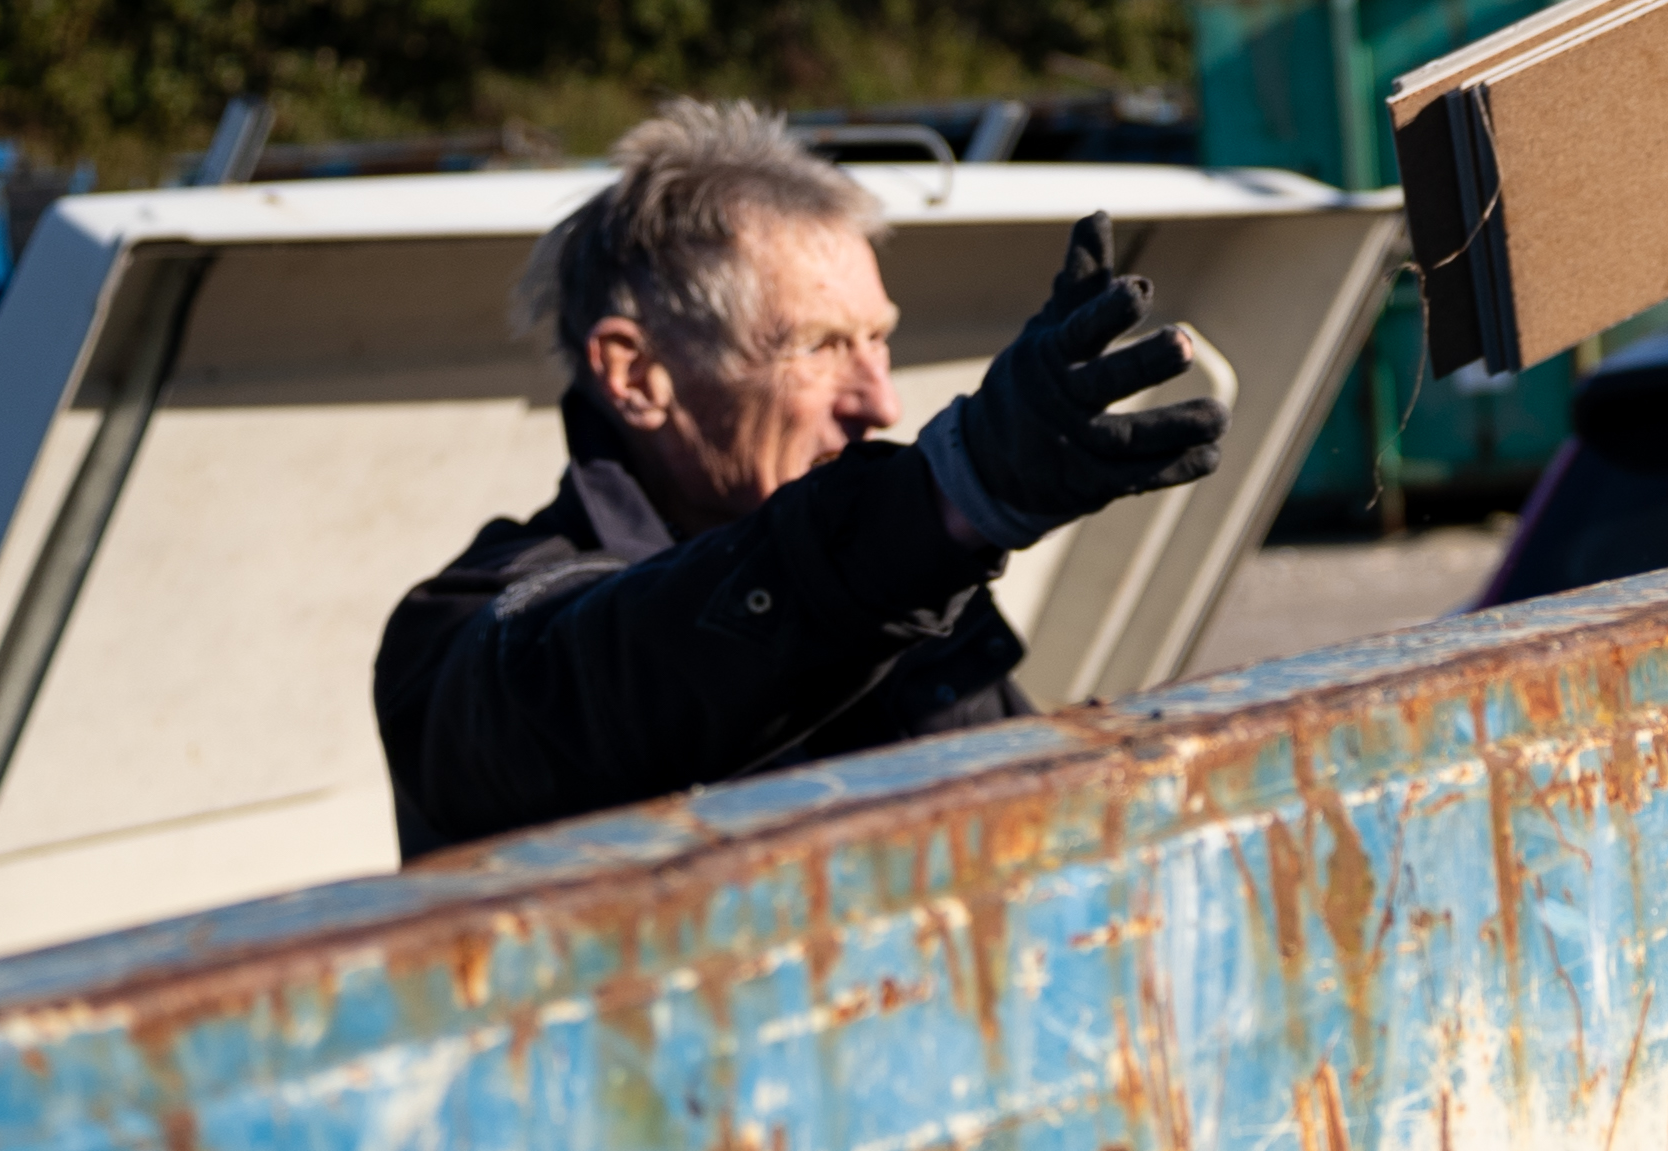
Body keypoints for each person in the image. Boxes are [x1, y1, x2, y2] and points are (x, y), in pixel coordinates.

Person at [374, 102, 1223, 855]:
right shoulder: (468, 633)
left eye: (878, 339)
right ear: (635, 375)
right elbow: (610, 673)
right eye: (819, 345)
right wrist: (944, 500)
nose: (880, 402)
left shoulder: (884, 597)